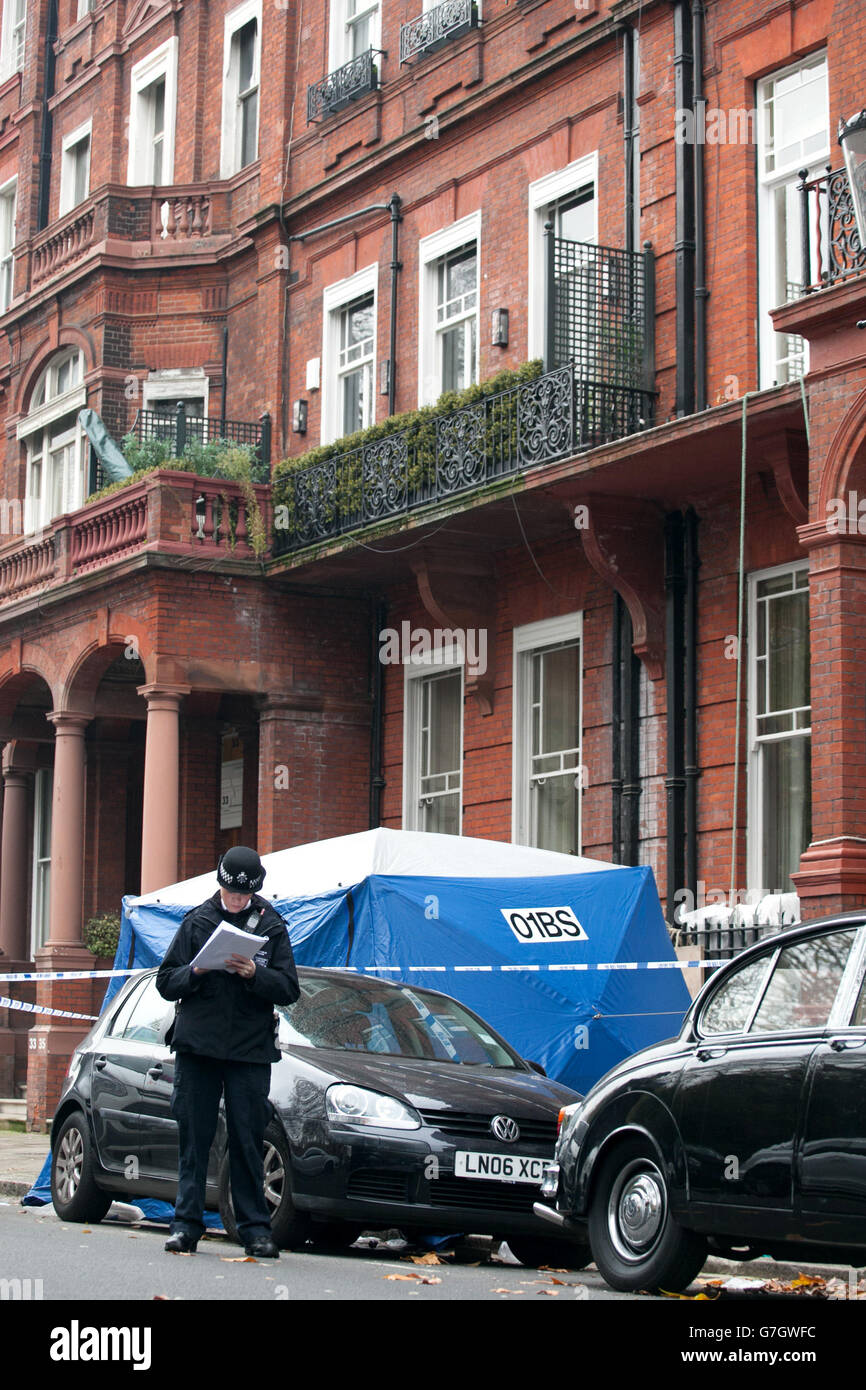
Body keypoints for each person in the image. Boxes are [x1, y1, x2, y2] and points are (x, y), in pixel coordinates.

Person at [156, 845, 299, 1257]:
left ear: (255, 891)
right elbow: (166, 981)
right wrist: (197, 970)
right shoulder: (197, 921)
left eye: (243, 896)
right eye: (230, 893)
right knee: (194, 1139)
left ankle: (255, 1230)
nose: (236, 901)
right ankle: (185, 1226)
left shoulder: (271, 926)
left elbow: (289, 988)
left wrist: (256, 974)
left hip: (249, 1050)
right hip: (198, 1046)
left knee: (248, 1138)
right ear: (219, 884)